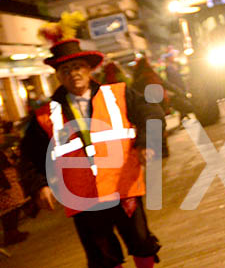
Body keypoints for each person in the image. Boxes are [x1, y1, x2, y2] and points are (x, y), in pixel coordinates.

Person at [19, 18, 162, 268]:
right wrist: (39, 185)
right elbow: (30, 154)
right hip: (81, 196)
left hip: (122, 184)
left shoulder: (118, 94)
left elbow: (151, 113)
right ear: (59, 77)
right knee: (102, 254)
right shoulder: (44, 115)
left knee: (141, 240)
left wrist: (145, 142)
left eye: (78, 67)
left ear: (88, 70)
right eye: (66, 70)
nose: (73, 74)